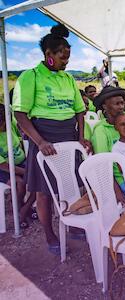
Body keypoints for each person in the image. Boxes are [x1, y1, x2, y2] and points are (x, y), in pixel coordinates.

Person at [12, 24, 91, 253]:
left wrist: (81, 136)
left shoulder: (68, 79)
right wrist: (40, 142)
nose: (66, 62)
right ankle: (50, 235)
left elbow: (79, 111)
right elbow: (20, 113)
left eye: (68, 58)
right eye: (62, 58)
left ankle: (74, 226)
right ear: (48, 55)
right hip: (44, 137)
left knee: (70, 185)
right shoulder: (31, 76)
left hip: (68, 136)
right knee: (44, 191)